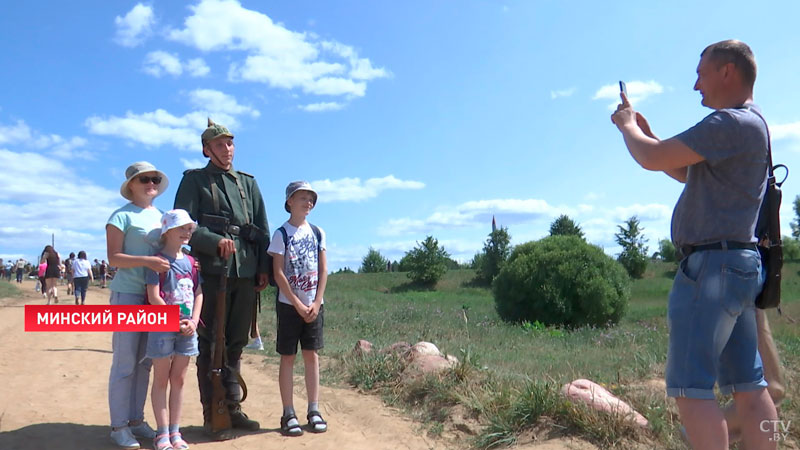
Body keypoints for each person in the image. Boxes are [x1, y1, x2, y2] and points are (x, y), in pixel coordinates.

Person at [611, 40, 778, 449]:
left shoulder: (730, 123)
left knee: (692, 389)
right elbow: (688, 173)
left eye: (701, 73)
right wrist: (650, 136)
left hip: (710, 269)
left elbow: (651, 158)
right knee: (750, 385)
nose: (695, 85)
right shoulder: (753, 124)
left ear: (727, 72)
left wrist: (627, 126)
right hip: (738, 265)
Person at [173, 118, 270, 440]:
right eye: (219, 144)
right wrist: (212, 240)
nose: (226, 149)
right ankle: (212, 413)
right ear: (206, 149)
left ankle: (233, 407)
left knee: (237, 344)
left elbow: (261, 227)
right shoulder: (195, 181)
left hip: (244, 271)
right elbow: (183, 226)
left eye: (230, 143)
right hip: (214, 272)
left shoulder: (248, 183)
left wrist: (263, 268)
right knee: (213, 344)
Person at [106, 161, 170, 449]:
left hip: (154, 297)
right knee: (125, 363)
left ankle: (136, 419)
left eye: (154, 178)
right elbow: (114, 258)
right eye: (144, 179)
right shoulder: (120, 217)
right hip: (128, 295)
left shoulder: (162, 216)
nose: (150, 183)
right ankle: (119, 426)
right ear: (131, 185)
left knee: (145, 362)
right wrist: (147, 261)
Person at [268, 181, 328, 436]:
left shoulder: (317, 232)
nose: (308, 202)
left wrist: (316, 301)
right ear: (289, 201)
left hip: (314, 306)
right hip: (289, 305)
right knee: (288, 357)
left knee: (311, 355)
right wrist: (297, 302)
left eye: (311, 199)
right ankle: (288, 412)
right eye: (302, 197)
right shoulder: (281, 234)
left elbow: (324, 269)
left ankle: (313, 409)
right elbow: (278, 272)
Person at [145, 209, 203, 450]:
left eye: (189, 228)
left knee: (178, 379)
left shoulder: (192, 262)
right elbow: (153, 296)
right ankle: (162, 432)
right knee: (161, 379)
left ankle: (175, 431)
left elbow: (199, 293)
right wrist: (174, 319)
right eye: (182, 228)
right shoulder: (156, 262)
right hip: (163, 326)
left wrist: (193, 321)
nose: (187, 232)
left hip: (188, 328)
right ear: (167, 230)